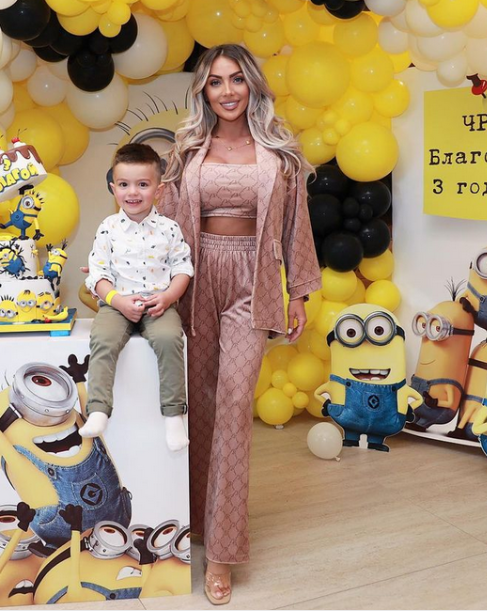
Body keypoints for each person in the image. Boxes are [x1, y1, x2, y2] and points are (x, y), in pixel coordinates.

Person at [159, 44, 321, 604]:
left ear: (252, 85)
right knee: (200, 403)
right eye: (215, 82)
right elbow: (162, 220)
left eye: (236, 80)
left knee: (232, 403)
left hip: (254, 279)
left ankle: (223, 552)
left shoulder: (279, 153)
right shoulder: (187, 150)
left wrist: (300, 293)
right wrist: (122, 263)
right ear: (203, 92)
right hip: (195, 275)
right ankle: (195, 524)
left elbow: (296, 224)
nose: (227, 91)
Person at [82, 143, 193, 451]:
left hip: (158, 304)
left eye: (143, 184)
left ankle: (173, 414)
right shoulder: (108, 228)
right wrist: (117, 301)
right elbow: (98, 274)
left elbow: (183, 269)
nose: (133, 192)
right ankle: (99, 409)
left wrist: (168, 297)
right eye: (124, 184)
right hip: (117, 304)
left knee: (169, 339)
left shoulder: (169, 229)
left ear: (158, 189)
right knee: (102, 340)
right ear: (113, 188)